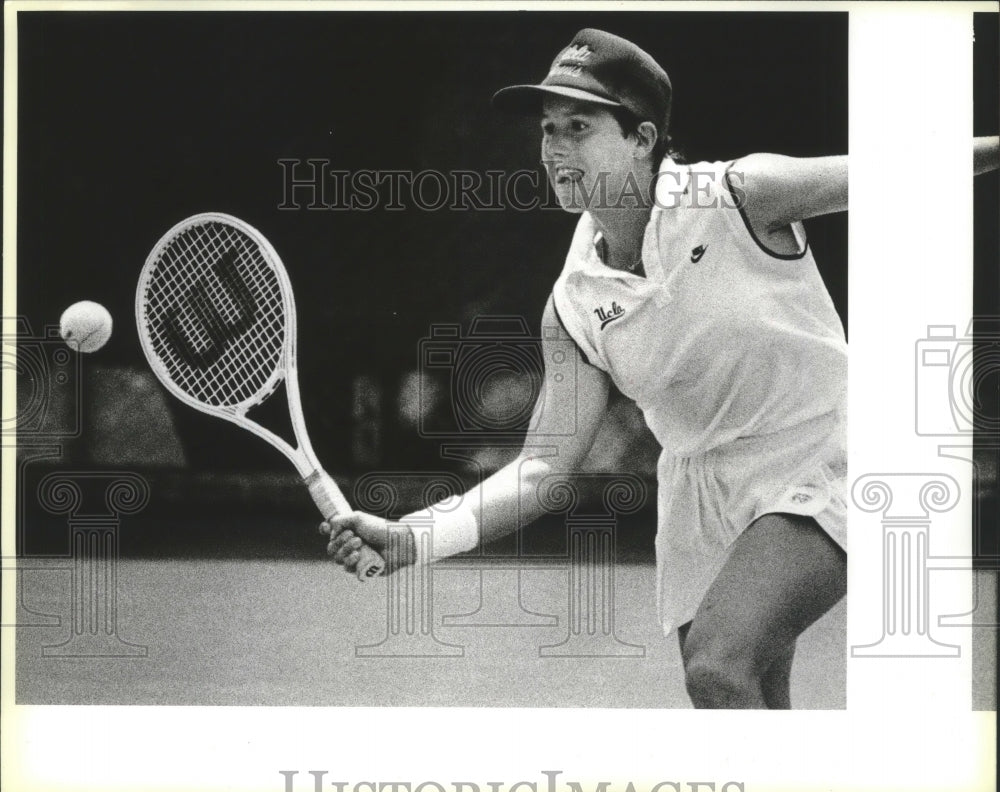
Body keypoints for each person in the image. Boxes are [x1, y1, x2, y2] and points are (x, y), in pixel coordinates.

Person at [323, 28, 1000, 708]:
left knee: (718, 666)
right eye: (548, 128)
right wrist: (412, 537)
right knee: (745, 698)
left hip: (824, 449)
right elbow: (540, 469)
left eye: (579, 127)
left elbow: (902, 172)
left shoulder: (740, 196)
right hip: (699, 490)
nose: (554, 147)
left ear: (642, 138)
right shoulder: (574, 302)